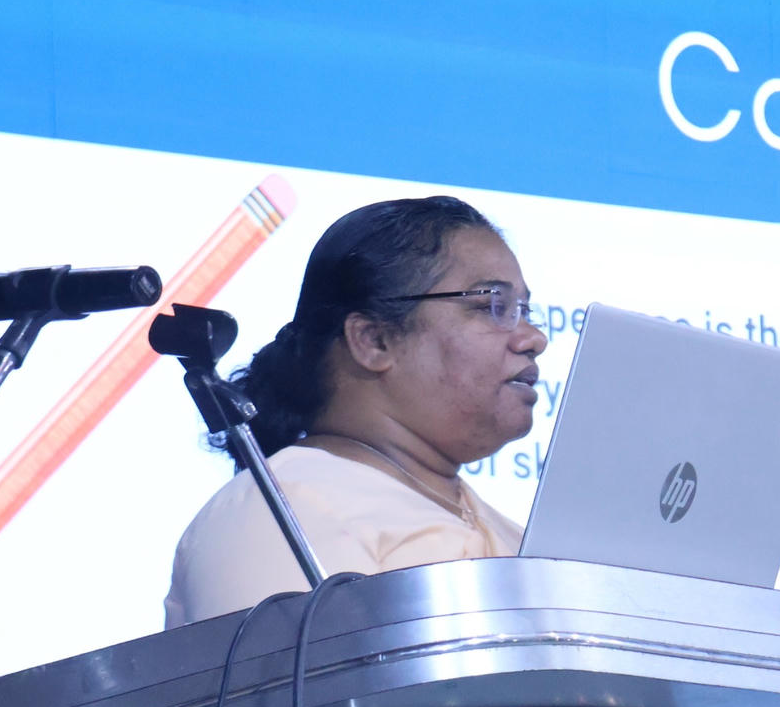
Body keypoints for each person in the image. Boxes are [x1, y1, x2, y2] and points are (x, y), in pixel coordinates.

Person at [163, 196, 547, 627]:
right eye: (492, 306)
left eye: (524, 311)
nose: (534, 338)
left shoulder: (516, 537)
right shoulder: (282, 512)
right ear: (373, 340)